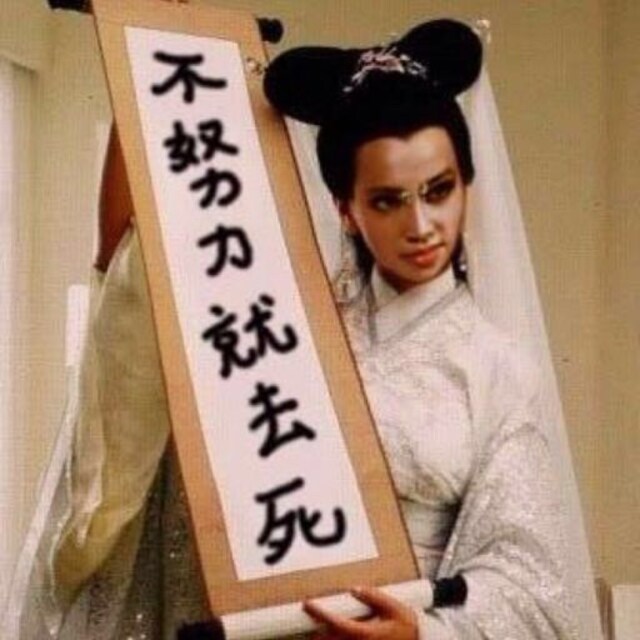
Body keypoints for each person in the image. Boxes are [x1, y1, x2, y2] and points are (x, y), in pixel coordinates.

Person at [2, 17, 601, 640]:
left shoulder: (495, 368)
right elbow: (133, 292)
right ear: (346, 209)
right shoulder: (277, 321)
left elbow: (531, 582)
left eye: (439, 190)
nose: (421, 225)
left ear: (466, 187)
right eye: (388, 200)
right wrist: (145, 55)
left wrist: (424, 631)